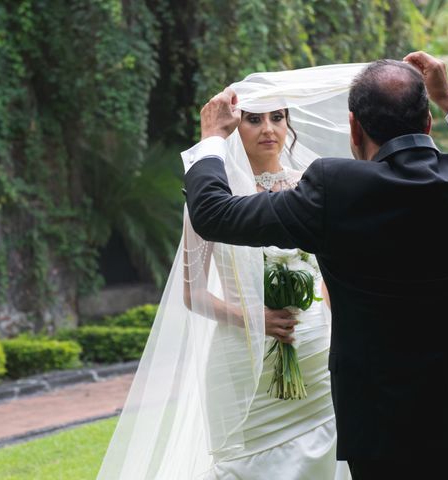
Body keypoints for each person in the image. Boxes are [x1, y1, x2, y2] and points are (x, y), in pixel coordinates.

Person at [183, 51, 448, 480]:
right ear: (429, 122)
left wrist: (212, 137)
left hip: (383, 423)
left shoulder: (334, 191)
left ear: (354, 128)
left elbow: (213, 213)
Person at [97, 63, 365, 479]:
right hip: (241, 358)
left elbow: (328, 273)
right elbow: (194, 293)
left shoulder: (309, 186)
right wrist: (255, 319)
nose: (267, 128)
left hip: (313, 348)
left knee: (325, 454)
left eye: (277, 117)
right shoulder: (212, 200)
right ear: (234, 128)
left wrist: (337, 331)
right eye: (253, 119)